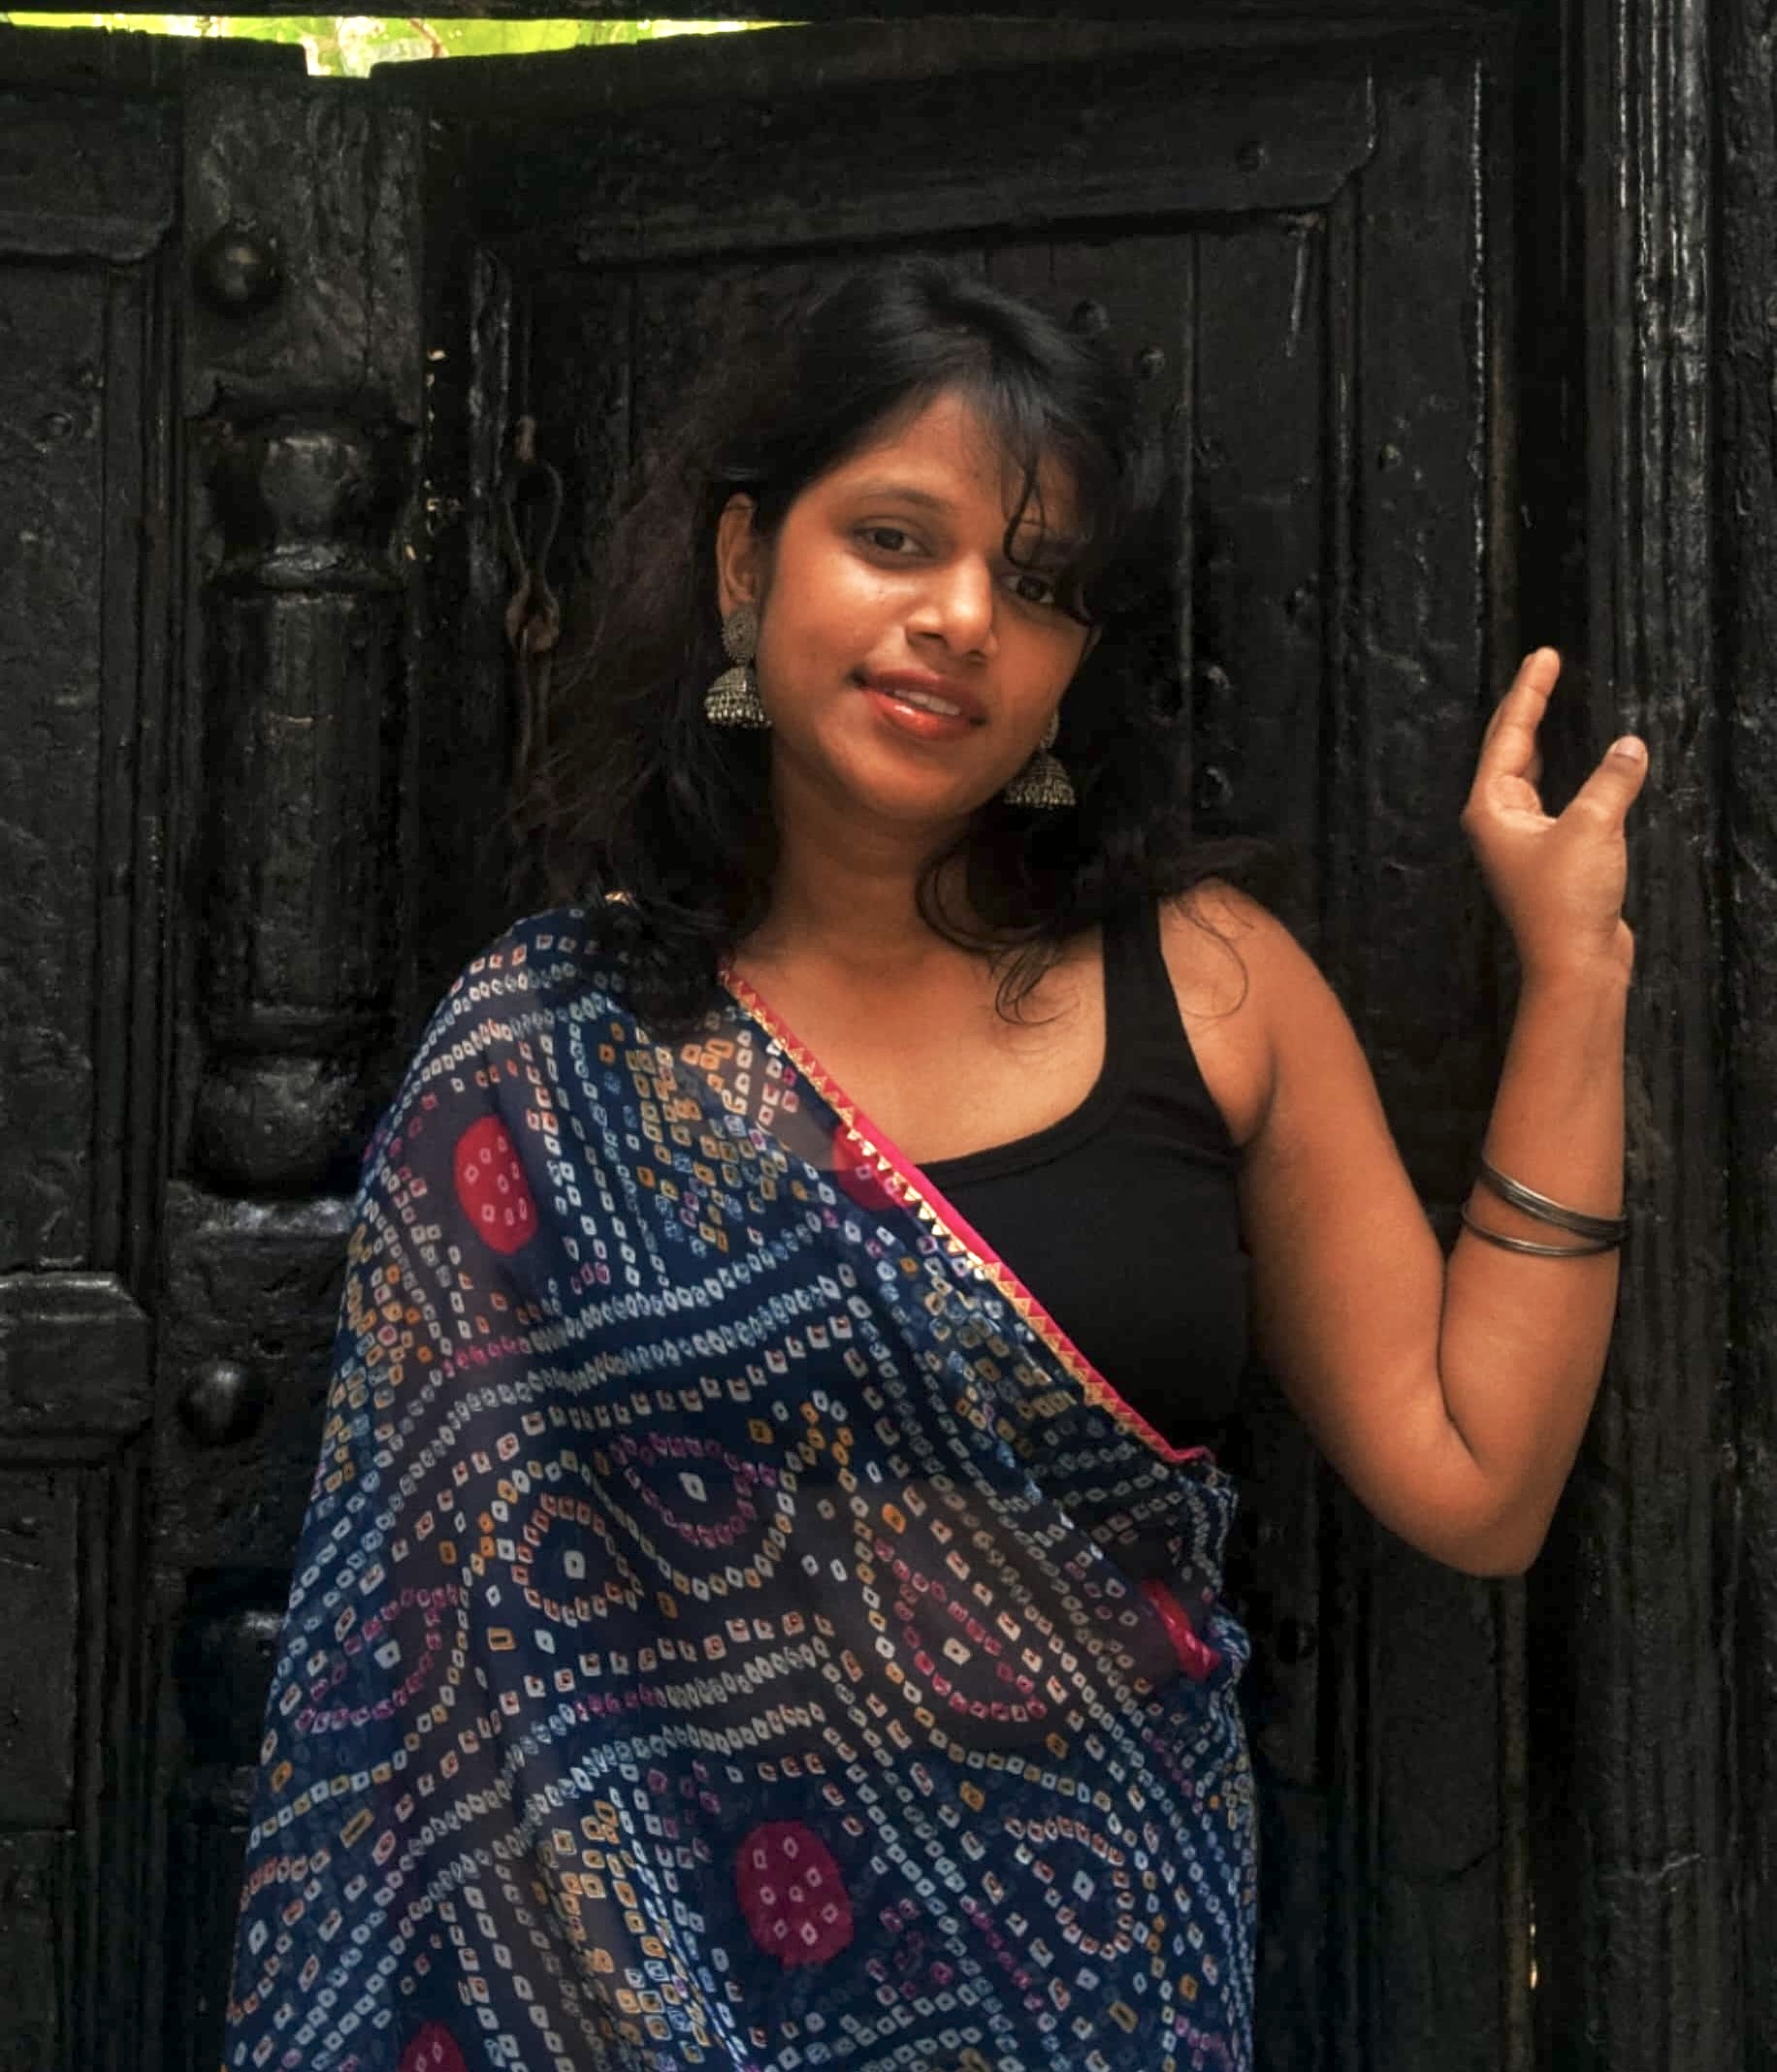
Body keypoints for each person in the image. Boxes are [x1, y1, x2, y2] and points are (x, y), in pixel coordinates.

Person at [221, 260, 1644, 2072]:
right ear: (748, 563)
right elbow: (420, 1672)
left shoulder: (1210, 990)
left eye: (1039, 584)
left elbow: (1478, 1483)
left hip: (1092, 1992)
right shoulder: (542, 1049)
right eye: (895, 540)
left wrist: (1576, 981)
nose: (965, 618)